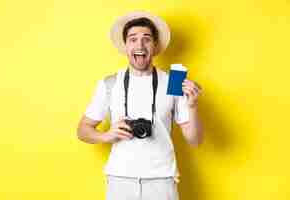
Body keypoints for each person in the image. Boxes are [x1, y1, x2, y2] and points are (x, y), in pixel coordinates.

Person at [77, 10, 204, 200]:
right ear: (126, 46)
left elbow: (194, 140)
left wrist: (193, 106)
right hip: (120, 181)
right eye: (133, 39)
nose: (140, 44)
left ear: (154, 45)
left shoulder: (173, 83)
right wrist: (106, 135)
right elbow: (82, 130)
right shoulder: (110, 83)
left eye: (147, 39)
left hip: (162, 181)